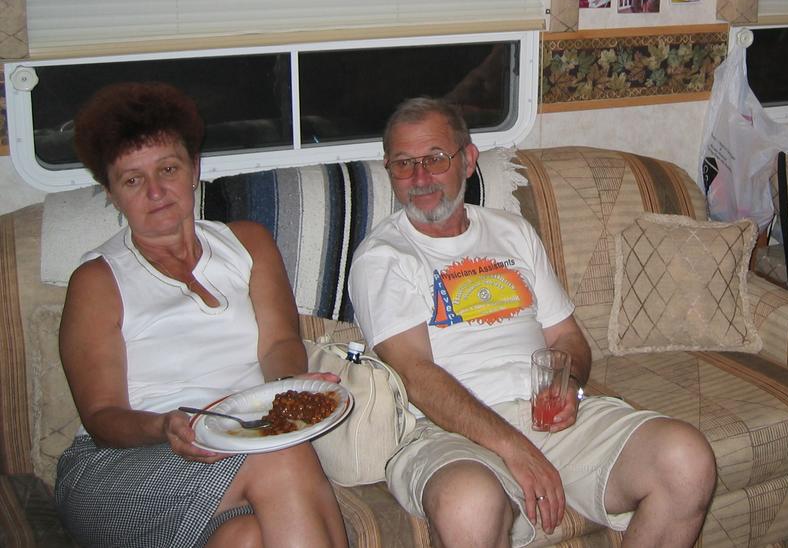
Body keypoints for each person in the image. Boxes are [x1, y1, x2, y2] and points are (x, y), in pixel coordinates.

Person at [348, 98, 717, 548]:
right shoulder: (383, 257)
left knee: (686, 461)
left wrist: (567, 383)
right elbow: (415, 376)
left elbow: (567, 337)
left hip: (544, 418)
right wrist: (514, 448)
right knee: (468, 504)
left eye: (436, 158)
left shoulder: (513, 231)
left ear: (468, 160)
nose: (420, 178)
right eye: (404, 163)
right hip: (443, 430)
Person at [55, 82, 348, 548]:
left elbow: (279, 344)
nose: (156, 191)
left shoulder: (248, 243)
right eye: (133, 180)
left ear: (194, 168)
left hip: (237, 442)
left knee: (247, 537)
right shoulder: (98, 280)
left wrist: (292, 392)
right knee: (281, 455)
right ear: (111, 192)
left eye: (168, 169)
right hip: (126, 463)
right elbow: (102, 417)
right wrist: (165, 425)